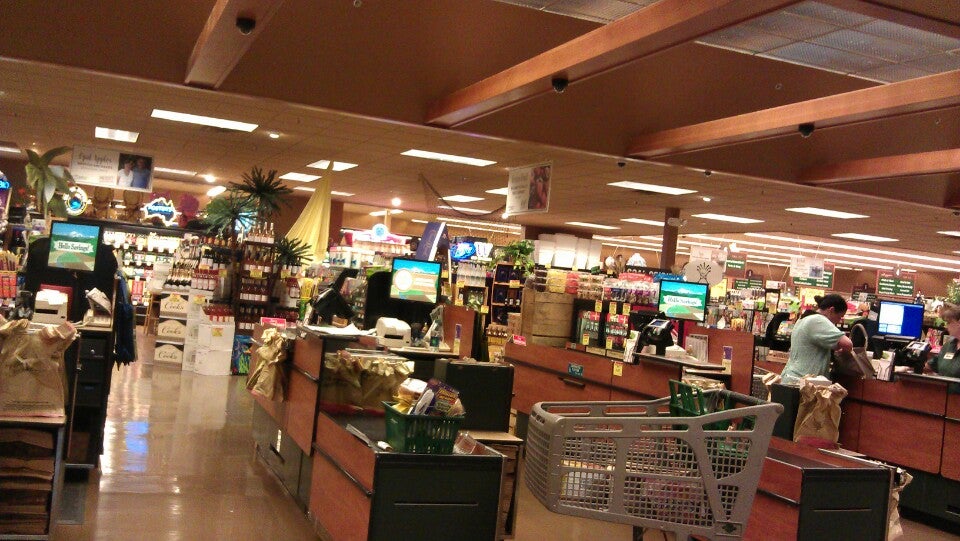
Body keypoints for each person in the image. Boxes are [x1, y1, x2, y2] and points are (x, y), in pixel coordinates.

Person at [780, 294, 853, 385]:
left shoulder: (805, 318)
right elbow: (847, 344)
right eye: (839, 317)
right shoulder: (818, 320)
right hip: (802, 382)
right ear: (831, 310)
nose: (839, 321)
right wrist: (844, 354)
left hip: (793, 378)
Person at [927, 304, 960, 393]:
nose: (946, 326)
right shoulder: (949, 344)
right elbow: (932, 365)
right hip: (942, 397)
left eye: (949, 323)